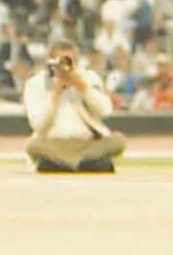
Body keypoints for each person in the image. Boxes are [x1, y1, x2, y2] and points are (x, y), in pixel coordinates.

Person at [23, 38, 126, 172]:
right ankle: (82, 164)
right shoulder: (36, 84)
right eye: (60, 61)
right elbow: (38, 125)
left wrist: (82, 87)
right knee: (32, 145)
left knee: (118, 140)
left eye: (69, 61)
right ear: (50, 62)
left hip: (86, 144)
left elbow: (105, 111)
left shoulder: (88, 78)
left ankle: (65, 164)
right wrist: (56, 94)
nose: (65, 66)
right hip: (54, 143)